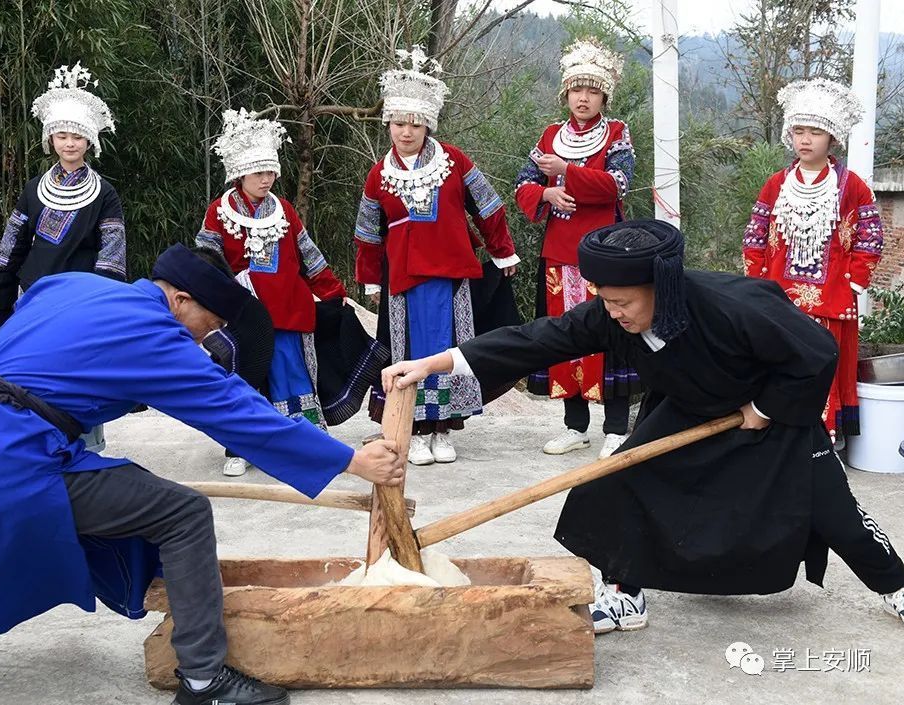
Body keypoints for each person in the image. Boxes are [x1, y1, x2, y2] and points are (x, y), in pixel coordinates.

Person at [0, 244, 404, 705]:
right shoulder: (155, 335)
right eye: (208, 325)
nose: (208, 338)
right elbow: (237, 412)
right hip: (16, 454)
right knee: (181, 511)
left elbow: (50, 336)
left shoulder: (74, 284)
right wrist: (350, 460)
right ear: (180, 299)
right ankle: (204, 679)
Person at [383, 219, 904, 634]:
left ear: (663, 288)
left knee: (834, 511)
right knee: (619, 481)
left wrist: (762, 409)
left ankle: (896, 586)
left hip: (769, 412)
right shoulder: (610, 315)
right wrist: (434, 364)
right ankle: (625, 595)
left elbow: (816, 353)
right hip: (688, 407)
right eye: (605, 300)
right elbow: (536, 338)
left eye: (623, 301)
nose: (614, 313)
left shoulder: (732, 307)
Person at [354, 45, 520, 466]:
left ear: (427, 124)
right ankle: (413, 428)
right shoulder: (379, 175)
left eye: (414, 124)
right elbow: (367, 233)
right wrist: (370, 278)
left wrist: (503, 252)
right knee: (408, 350)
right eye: (397, 123)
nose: (405, 132)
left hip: (450, 276)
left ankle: (444, 429)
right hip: (403, 280)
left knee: (450, 349)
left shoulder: (453, 161)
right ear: (388, 123)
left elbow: (487, 205)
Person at [196, 108, 382, 477]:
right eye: (258, 173)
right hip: (243, 314)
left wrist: (331, 290)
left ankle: (302, 442)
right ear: (239, 174)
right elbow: (205, 262)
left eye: (271, 172)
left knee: (292, 374)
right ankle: (240, 446)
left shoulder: (284, 210)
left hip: (290, 310)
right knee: (244, 375)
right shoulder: (219, 213)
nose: (266, 179)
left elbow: (307, 254)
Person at [0, 61, 126, 452]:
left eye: (77, 136)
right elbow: (12, 244)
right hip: (33, 295)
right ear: (50, 139)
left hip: (79, 298)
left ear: (90, 141)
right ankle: (38, 443)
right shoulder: (33, 189)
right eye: (62, 135)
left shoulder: (105, 193)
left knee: (79, 370)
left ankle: (87, 445)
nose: (69, 143)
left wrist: (101, 301)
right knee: (34, 370)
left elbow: (111, 254)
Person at [514, 38, 641, 459]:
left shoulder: (617, 134)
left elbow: (618, 185)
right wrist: (547, 196)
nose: (583, 98)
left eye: (592, 91)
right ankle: (575, 424)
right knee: (565, 332)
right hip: (559, 251)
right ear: (565, 93)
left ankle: (618, 426)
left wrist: (568, 172)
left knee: (612, 328)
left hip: (605, 250)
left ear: (604, 95)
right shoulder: (550, 134)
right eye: (576, 90)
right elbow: (523, 185)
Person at [743, 78, 884, 448]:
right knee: (778, 364)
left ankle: (825, 441)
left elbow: (870, 236)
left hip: (832, 298)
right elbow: (755, 237)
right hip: (780, 298)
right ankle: (779, 438)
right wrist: (758, 282)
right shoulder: (776, 184)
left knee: (825, 367)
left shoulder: (852, 186)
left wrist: (854, 280)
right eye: (799, 131)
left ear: (832, 138)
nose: (805, 140)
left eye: (815, 132)